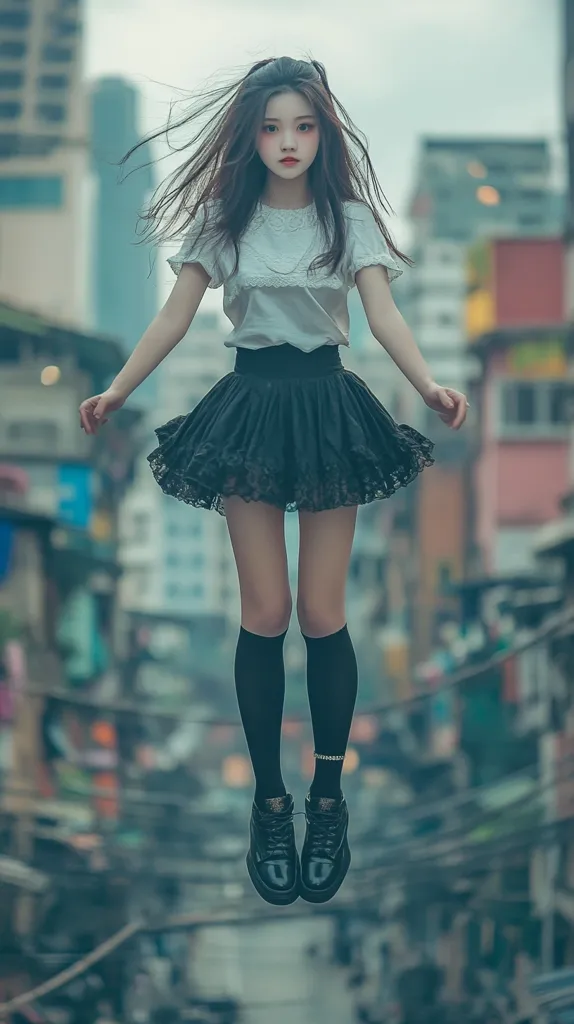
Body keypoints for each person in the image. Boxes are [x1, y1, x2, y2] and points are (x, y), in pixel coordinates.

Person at [79, 56, 467, 908]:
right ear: (249, 134)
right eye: (271, 126)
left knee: (324, 613)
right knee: (266, 613)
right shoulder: (226, 218)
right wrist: (116, 391)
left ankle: (327, 800)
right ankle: (270, 801)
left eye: (303, 126)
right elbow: (175, 316)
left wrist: (431, 385)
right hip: (249, 406)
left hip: (329, 406)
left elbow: (384, 312)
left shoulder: (350, 216)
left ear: (323, 133)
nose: (287, 142)